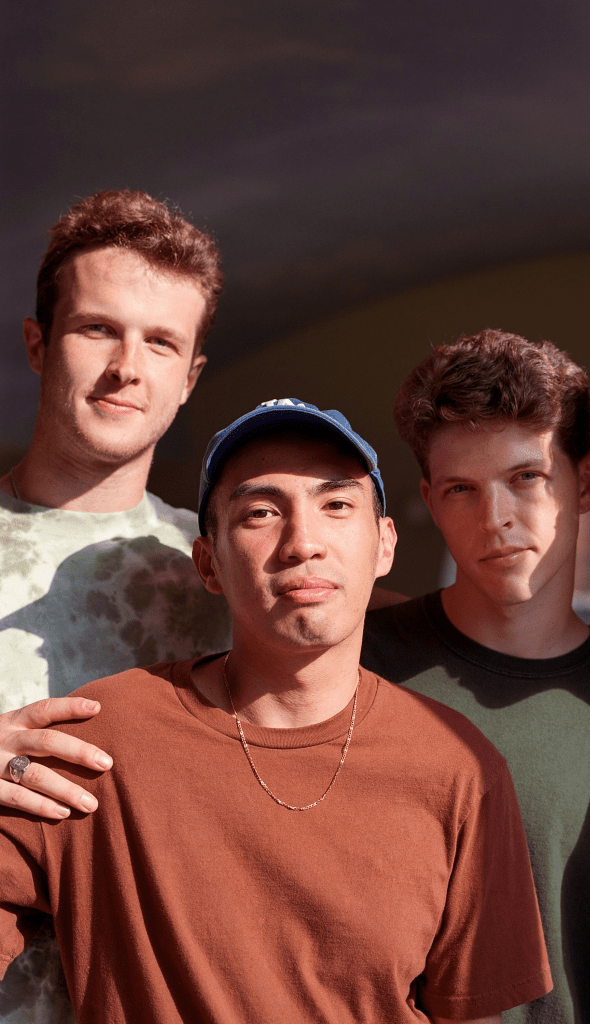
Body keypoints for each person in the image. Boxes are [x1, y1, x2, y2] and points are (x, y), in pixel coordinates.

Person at [0, 398, 552, 1024]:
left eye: (336, 505)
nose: (302, 543)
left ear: (385, 545)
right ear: (208, 562)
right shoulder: (101, 743)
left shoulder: (460, 768)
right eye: (261, 512)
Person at [362, 330, 590, 1024]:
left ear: (586, 482)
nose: (495, 518)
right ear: (430, 501)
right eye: (461, 489)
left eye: (525, 478)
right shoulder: (353, 666)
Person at [0, 190, 230, 1020]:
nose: (128, 366)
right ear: (38, 344)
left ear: (189, 377)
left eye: (161, 342)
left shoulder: (237, 570)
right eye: (98, 329)